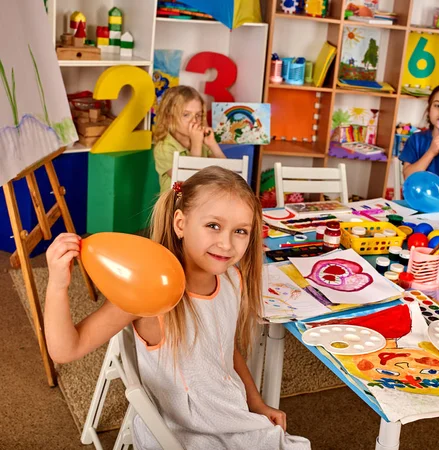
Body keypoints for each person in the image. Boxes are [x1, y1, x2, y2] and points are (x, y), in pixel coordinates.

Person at [44, 167, 311, 450]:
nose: (226, 243)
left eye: (240, 231)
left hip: (228, 412)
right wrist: (57, 285)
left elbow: (224, 350)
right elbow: (65, 349)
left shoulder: (233, 279)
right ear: (181, 224)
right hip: (181, 432)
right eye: (213, 226)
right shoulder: (149, 290)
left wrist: (256, 403)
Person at [153, 85, 227, 193]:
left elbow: (228, 175)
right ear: (169, 117)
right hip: (175, 205)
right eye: (186, 115)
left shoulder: (203, 143)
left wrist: (213, 144)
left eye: (198, 115)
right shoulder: (164, 148)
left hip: (200, 202)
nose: (194, 121)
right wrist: (196, 145)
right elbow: (189, 183)